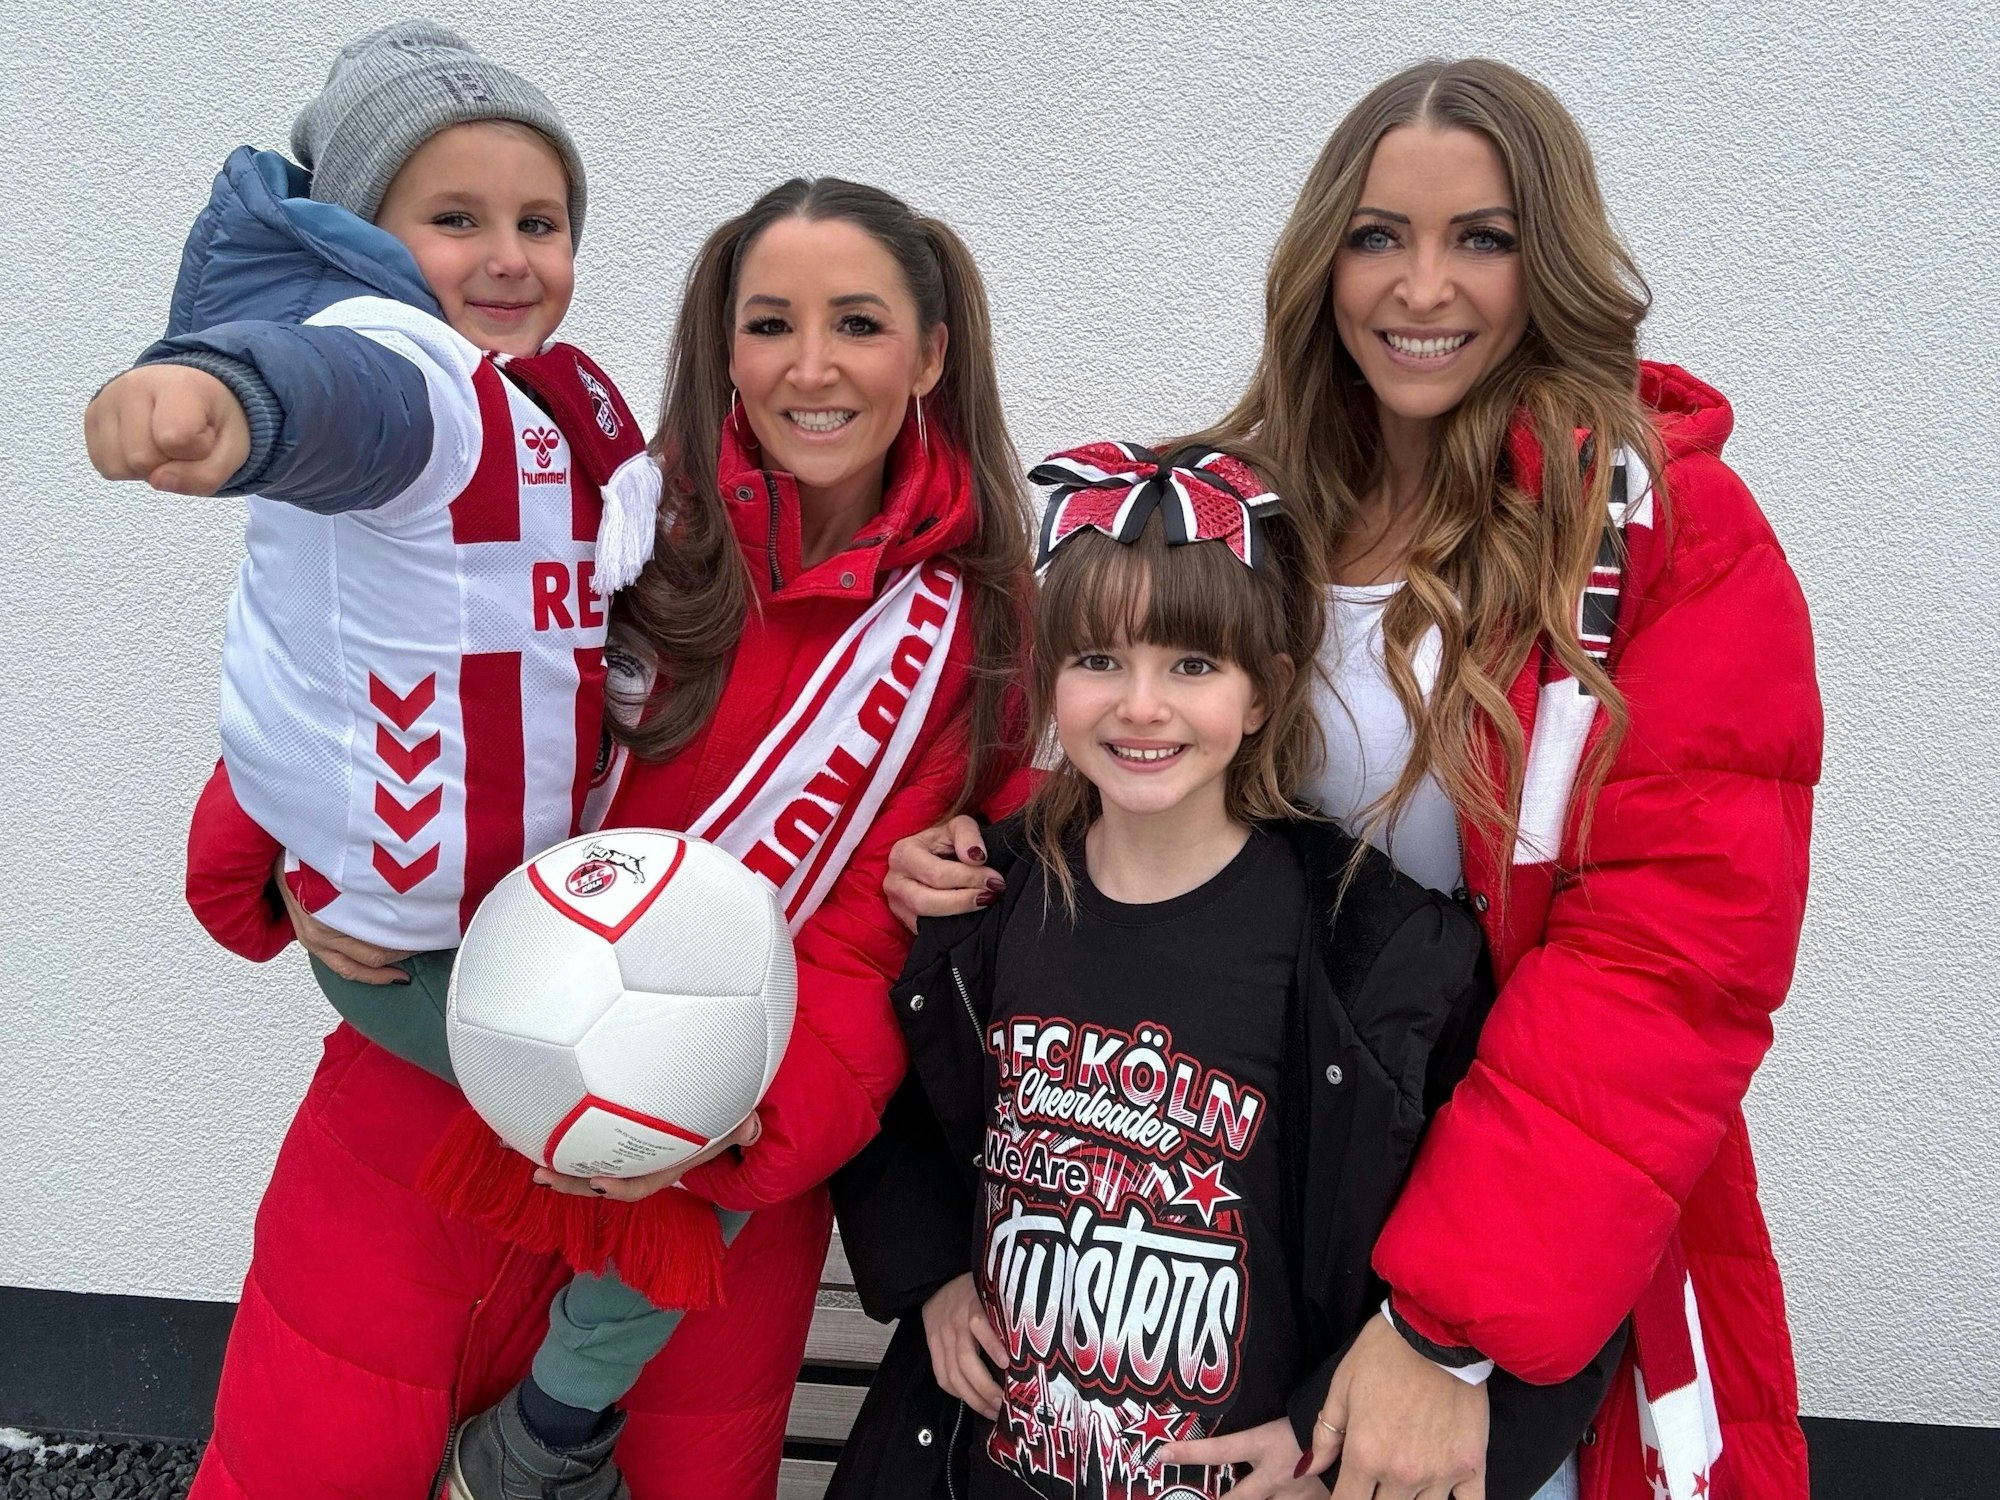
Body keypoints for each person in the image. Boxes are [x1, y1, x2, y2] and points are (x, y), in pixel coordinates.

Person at [884, 58, 1821, 1500]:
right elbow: (1140, 745)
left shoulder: (1655, 532)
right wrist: (983, 848)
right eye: (1379, 235)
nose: (1420, 287)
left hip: (1487, 1259)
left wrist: (1443, 1331)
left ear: (1550, 260)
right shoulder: (1238, 507)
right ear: (1324, 257)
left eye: (1480, 239)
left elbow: (1670, 963)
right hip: (1240, 1219)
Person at [132, 162, 1034, 1500]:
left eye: (857, 322)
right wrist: (289, 864)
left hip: (707, 1185)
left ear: (931, 352)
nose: (810, 367)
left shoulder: (981, 632)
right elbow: (371, 669)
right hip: (430, 1121)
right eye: (769, 323)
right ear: (722, 347)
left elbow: (873, 942)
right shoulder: (602, 514)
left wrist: (740, 1131)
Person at [833, 446, 1618, 1500]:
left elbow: (1550, 1241)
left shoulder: (1373, 952)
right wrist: (929, 1271)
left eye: (1192, 666)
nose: (1140, 706)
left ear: (1264, 693)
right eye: (1099, 660)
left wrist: (1334, 1446)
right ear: (1048, 678)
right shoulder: (983, 901)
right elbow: (887, 1090)